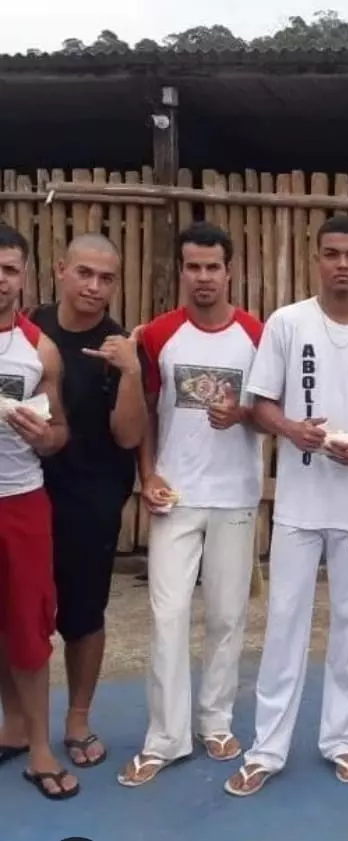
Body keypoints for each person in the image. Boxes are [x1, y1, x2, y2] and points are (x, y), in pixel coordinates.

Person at [224, 214, 348, 797]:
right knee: (285, 623)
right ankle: (267, 749)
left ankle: (342, 741)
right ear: (316, 258)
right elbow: (260, 403)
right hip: (299, 503)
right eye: (331, 254)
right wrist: (292, 431)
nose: (342, 265)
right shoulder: (288, 323)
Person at [118, 221, 264, 787]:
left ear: (230, 271)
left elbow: (270, 407)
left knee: (227, 616)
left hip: (235, 494)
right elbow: (148, 410)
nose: (203, 277)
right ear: (181, 271)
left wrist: (245, 414)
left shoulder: (256, 333)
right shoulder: (156, 335)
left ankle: (215, 720)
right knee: (167, 614)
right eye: (193, 267)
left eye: (213, 267)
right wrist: (148, 473)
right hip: (174, 495)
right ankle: (165, 737)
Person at [27, 234, 147, 770]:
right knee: (19, 612)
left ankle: (77, 718)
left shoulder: (119, 345)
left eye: (107, 278)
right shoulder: (27, 330)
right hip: (23, 488)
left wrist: (130, 373)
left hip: (91, 495)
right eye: (85, 273)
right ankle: (17, 720)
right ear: (60, 271)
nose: (95, 287)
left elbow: (129, 437)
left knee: (84, 612)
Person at [0, 223, 75, 798]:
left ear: (24, 275)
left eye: (8, 269)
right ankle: (14, 728)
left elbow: (59, 433)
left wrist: (43, 436)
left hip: (21, 500)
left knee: (28, 625)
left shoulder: (39, 349)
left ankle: (41, 748)